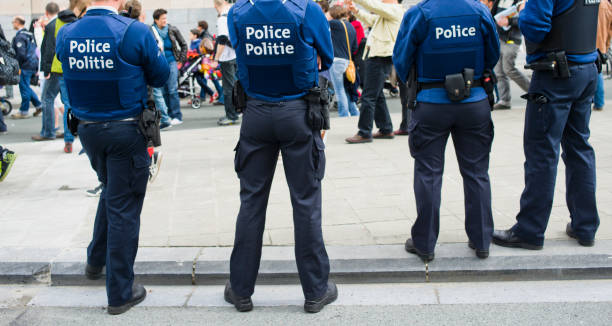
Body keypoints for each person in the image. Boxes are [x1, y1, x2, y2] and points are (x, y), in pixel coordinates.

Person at [56, 0, 169, 314]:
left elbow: (65, 67)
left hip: (88, 130)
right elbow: (161, 76)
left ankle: (95, 260)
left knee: (112, 191)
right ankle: (120, 292)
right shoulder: (133, 30)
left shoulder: (67, 32)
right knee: (125, 206)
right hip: (125, 130)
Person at [226, 0, 337, 313]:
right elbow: (326, 57)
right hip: (298, 112)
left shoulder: (238, 12)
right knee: (306, 202)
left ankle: (241, 290)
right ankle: (315, 291)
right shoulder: (306, 10)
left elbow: (241, 50)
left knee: (251, 201)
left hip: (256, 112)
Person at [393, 0, 500, 261]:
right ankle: (482, 239)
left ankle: (425, 244)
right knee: (476, 172)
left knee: (428, 174)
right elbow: (493, 53)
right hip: (473, 98)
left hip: (431, 101)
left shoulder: (420, 13)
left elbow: (402, 59)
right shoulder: (478, 11)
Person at [493, 0, 601, 250]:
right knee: (579, 149)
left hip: (557, 74)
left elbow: (535, 27)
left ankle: (529, 230)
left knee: (541, 152)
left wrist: (520, 14)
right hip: (586, 67)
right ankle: (585, 226)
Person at [345, 0, 404, 144]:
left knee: (368, 95)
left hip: (380, 55)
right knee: (376, 95)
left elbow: (374, 6)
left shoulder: (394, 9)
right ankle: (385, 128)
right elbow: (372, 19)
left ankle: (364, 132)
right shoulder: (388, 13)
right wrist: (356, 11)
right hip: (379, 54)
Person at [34, 2, 78, 154]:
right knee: (68, 104)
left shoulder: (53, 25)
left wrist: (45, 68)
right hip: (71, 69)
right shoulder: (76, 23)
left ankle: (48, 132)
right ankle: (68, 138)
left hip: (55, 69)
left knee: (47, 98)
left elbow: (48, 47)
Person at [490, 0, 531, 111]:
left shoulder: (520, 2)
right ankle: (504, 100)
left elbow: (525, 19)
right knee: (498, 71)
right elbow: (492, 15)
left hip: (512, 39)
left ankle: (533, 90)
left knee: (509, 69)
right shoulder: (499, 1)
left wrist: (509, 21)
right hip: (499, 38)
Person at [152, 8, 186, 126]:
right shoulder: (151, 31)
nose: (165, 21)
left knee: (172, 89)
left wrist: (180, 61)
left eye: (166, 18)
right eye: (162, 19)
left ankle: (176, 115)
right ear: (156, 20)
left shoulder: (172, 29)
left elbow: (184, 44)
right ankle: (167, 115)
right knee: (163, 91)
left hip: (172, 62)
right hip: (160, 64)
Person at [327, 5, 359, 117]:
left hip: (336, 61)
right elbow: (355, 47)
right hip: (347, 61)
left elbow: (322, 21)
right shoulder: (350, 26)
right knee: (347, 90)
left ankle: (344, 115)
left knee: (339, 90)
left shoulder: (333, 24)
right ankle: (355, 112)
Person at [214, 0, 240, 126]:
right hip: (235, 56)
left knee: (228, 88)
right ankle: (236, 111)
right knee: (236, 85)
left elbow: (222, 40)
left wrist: (215, 59)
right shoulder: (233, 14)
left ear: (216, 5)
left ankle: (231, 115)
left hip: (227, 58)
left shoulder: (222, 18)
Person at [11, 16, 42, 120]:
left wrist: (17, 66)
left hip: (25, 65)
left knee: (23, 88)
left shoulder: (20, 36)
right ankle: (38, 105)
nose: (12, 24)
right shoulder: (29, 34)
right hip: (33, 64)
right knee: (26, 86)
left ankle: (24, 111)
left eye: (13, 22)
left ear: (18, 23)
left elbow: (21, 54)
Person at [594, 0, 612, 111]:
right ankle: (599, 103)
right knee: (598, 72)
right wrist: (606, 45)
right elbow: (610, 30)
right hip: (601, 45)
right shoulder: (607, 5)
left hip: (588, 45)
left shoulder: (593, 3)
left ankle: (598, 102)